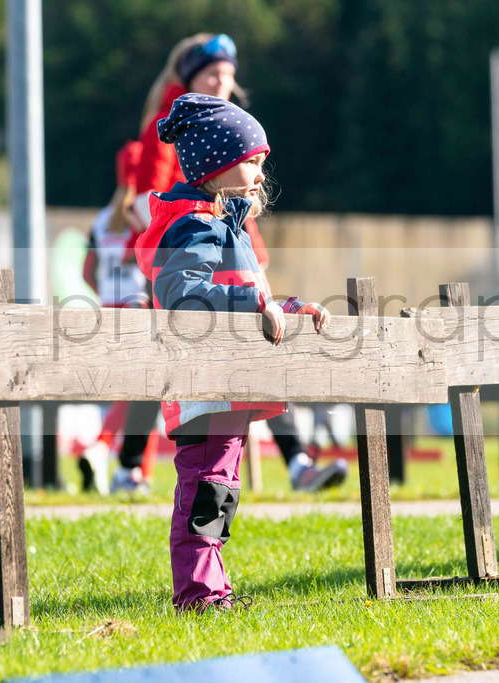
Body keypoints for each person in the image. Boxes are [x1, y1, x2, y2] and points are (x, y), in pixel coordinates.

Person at [118, 32, 347, 493]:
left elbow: (238, 207)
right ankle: (128, 465)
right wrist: (190, 229)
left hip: (227, 255)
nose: (223, 82)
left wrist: (242, 250)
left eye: (229, 75)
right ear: (191, 79)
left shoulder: (234, 125)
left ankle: (298, 461)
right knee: (161, 363)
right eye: (212, 74)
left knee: (264, 346)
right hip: (180, 252)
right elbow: (144, 200)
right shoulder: (173, 129)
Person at [135, 94, 330, 612]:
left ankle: (212, 590)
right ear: (216, 168)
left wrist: (286, 306)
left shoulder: (226, 227)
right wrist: (253, 302)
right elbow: (185, 294)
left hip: (228, 388)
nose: (261, 175)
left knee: (219, 493)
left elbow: (243, 289)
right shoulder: (196, 227)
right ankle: (198, 595)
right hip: (205, 390)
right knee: (205, 493)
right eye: (252, 163)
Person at [78, 140, 157, 494]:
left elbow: (86, 271)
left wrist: (105, 296)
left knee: (131, 392)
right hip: (138, 307)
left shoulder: (99, 221)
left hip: (107, 309)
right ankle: (108, 450)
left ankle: (127, 465)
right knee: (147, 389)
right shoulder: (145, 215)